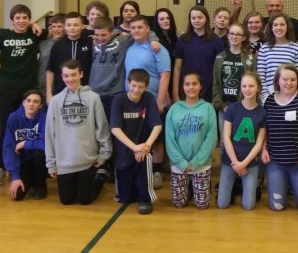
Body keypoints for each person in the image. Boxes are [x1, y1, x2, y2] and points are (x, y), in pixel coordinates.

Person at [0, 4, 48, 187]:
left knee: (31, 127)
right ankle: (1, 166)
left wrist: (34, 26)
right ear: (12, 20)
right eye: (18, 18)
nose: (21, 21)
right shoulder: (2, 35)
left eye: (25, 18)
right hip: (8, 87)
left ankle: (27, 164)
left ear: (29, 20)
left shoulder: (35, 34)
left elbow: (51, 32)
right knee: (6, 127)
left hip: (29, 89)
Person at [45, 59, 112, 205]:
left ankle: (100, 175)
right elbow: (49, 134)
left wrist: (103, 155)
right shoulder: (56, 101)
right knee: (66, 201)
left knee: (84, 200)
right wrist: (51, 163)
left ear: (81, 74)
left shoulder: (93, 98)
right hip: (64, 162)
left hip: (87, 161)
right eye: (66, 76)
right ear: (62, 77)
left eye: (73, 75)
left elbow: (102, 127)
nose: (70, 79)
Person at [262, 64, 298, 213]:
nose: (289, 83)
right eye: (285, 79)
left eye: (293, 80)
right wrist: (263, 148)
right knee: (277, 207)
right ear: (278, 81)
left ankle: (292, 185)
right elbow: (265, 128)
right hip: (275, 160)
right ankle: (283, 184)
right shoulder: (269, 101)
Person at [124, 15, 171, 188]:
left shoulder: (158, 49)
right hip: (133, 101)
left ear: (147, 29)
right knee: (136, 136)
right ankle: (138, 169)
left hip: (152, 101)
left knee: (156, 139)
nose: (136, 30)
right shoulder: (129, 48)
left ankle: (156, 171)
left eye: (139, 27)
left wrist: (160, 101)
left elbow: (165, 75)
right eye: (133, 27)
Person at [110, 69, 163, 214]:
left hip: (143, 150)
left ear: (146, 87)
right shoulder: (119, 100)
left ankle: (145, 199)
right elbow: (115, 128)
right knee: (125, 198)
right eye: (133, 85)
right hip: (125, 149)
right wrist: (134, 147)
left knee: (144, 162)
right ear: (128, 83)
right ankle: (130, 192)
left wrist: (146, 146)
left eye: (140, 87)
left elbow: (157, 125)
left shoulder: (148, 98)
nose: (136, 90)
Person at [165, 73, 217, 209]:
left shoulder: (208, 108)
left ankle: (195, 186)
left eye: (194, 84)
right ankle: (188, 187)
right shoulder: (174, 109)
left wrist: (196, 163)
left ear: (200, 87)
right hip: (179, 164)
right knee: (179, 203)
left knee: (202, 204)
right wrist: (182, 163)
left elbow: (211, 139)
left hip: (201, 164)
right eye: (187, 84)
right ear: (183, 87)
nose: (191, 87)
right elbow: (169, 140)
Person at [217, 73, 266, 210]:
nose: (247, 89)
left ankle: (246, 187)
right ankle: (235, 187)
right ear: (240, 88)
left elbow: (259, 143)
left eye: (251, 86)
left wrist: (243, 164)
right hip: (230, 161)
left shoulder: (262, 113)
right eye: (244, 86)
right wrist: (236, 164)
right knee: (222, 204)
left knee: (248, 206)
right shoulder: (233, 108)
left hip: (250, 163)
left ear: (258, 88)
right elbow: (226, 137)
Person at [172, 5, 224, 102]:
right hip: (187, 89)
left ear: (206, 19)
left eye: (200, 17)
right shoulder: (183, 40)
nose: (196, 20)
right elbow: (177, 68)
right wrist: (175, 94)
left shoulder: (216, 41)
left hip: (208, 90)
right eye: (193, 18)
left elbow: (219, 70)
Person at [3, 90, 48, 201]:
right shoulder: (13, 118)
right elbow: (8, 147)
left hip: (40, 161)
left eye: (35, 101)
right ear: (23, 102)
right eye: (28, 101)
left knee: (39, 154)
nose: (31, 104)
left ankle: (40, 183)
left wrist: (25, 143)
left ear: (41, 105)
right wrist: (15, 176)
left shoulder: (45, 118)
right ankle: (29, 180)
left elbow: (48, 145)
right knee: (17, 196)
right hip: (23, 163)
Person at [231, 0, 298, 39]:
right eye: (271, 5)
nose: (274, 8)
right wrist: (236, 10)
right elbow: (234, 28)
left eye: (277, 5)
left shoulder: (294, 23)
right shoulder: (258, 23)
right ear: (266, 7)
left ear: (283, 7)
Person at [257, 13, 298, 103]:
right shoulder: (264, 48)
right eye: (275, 25)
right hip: (269, 95)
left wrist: (293, 96)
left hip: (290, 94)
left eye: (282, 24)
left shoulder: (296, 48)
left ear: (287, 27)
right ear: (271, 28)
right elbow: (261, 75)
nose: (279, 28)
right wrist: (265, 98)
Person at [46, 12, 93, 101]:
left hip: (84, 92)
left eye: (76, 25)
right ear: (65, 26)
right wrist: (49, 94)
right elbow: (50, 70)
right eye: (68, 25)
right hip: (61, 91)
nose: (72, 28)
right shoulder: (58, 45)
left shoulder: (90, 43)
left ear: (82, 26)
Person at [38, 13, 65, 97]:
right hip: (41, 86)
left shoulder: (68, 44)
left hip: (60, 88)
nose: (56, 29)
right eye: (54, 26)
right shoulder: (42, 43)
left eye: (59, 26)